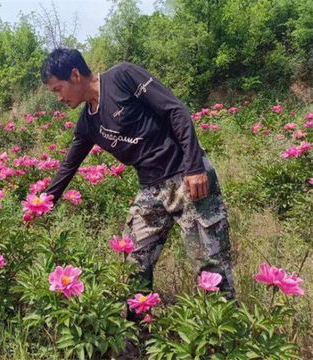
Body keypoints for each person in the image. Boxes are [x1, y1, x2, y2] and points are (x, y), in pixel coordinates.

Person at [41, 48, 236, 303]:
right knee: (133, 261)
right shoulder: (88, 122)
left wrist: (195, 167)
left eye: (58, 89)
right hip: (151, 189)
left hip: (185, 175)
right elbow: (69, 164)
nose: (58, 98)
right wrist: (43, 204)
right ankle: (140, 334)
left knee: (211, 265)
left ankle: (226, 338)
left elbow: (175, 110)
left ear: (75, 75)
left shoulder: (122, 76)